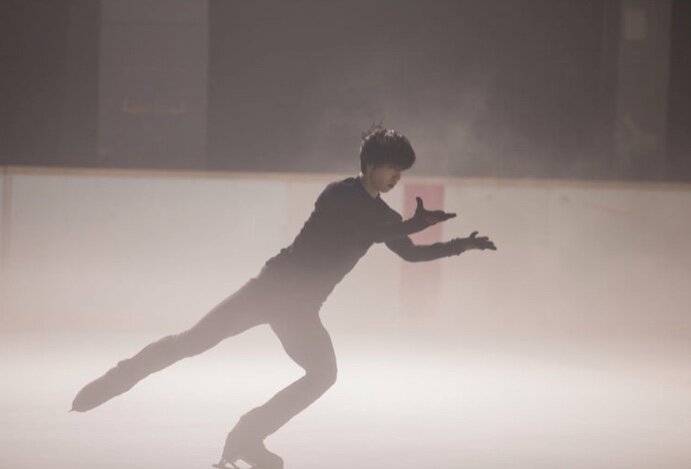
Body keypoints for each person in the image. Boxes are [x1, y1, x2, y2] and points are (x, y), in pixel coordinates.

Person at [71, 125, 497, 469]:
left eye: (401, 172)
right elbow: (367, 229)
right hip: (271, 289)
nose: (397, 178)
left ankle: (248, 435)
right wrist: (411, 225)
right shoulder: (339, 195)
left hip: (301, 309)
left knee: (323, 374)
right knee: (194, 341)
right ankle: (121, 376)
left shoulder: (386, 216)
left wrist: (460, 245)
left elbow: (411, 254)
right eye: (392, 168)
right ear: (370, 164)